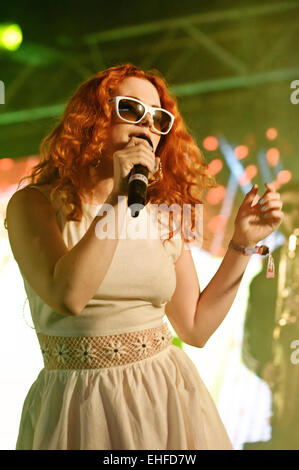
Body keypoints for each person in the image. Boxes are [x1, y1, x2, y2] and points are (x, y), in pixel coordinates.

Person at [4, 64, 284, 450]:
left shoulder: (162, 214)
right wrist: (120, 197)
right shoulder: (33, 205)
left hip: (165, 396)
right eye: (130, 109)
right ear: (93, 119)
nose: (147, 125)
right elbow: (69, 296)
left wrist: (241, 243)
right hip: (81, 406)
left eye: (158, 119)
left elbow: (195, 328)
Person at [242, 181, 299, 450]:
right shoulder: (271, 267)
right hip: (286, 387)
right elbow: (251, 333)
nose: (296, 215)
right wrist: (265, 364)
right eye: (288, 208)